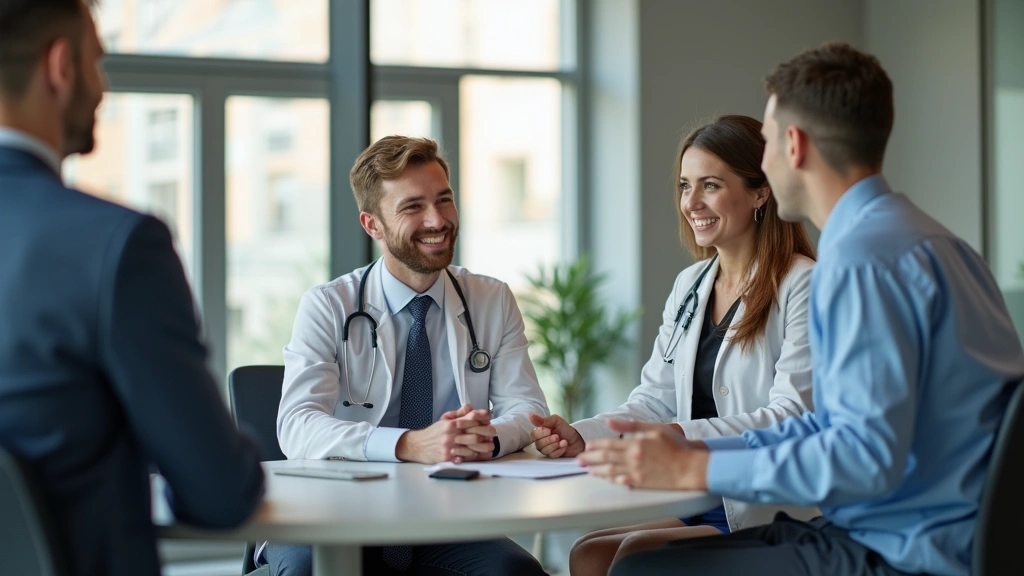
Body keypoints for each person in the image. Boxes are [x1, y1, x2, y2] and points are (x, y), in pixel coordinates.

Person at [585, 42, 1024, 576]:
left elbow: (864, 457)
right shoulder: (936, 243)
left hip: (905, 549)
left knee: (641, 569)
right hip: (933, 532)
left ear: (793, 145)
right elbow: (828, 425)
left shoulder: (860, 262)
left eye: (767, 143)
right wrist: (695, 455)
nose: (765, 163)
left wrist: (697, 469)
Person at [0, 2, 266, 576]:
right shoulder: (115, 244)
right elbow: (222, 492)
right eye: (97, 62)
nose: (102, 88)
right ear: (60, 66)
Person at [529, 115, 818, 576]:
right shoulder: (691, 284)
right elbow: (654, 400)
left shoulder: (803, 284)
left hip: (764, 502)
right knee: (588, 552)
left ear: (760, 192)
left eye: (710, 185)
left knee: (635, 556)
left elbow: (792, 415)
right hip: (697, 493)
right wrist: (584, 435)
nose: (691, 202)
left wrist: (682, 435)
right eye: (685, 186)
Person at [259, 135, 549, 575]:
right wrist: (409, 444)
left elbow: (528, 409)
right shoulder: (328, 305)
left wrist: (481, 439)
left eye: (444, 199)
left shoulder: (491, 299)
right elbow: (298, 425)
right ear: (372, 224)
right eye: (413, 207)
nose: (438, 219)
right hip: (335, 513)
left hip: (444, 517)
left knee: (514, 572)